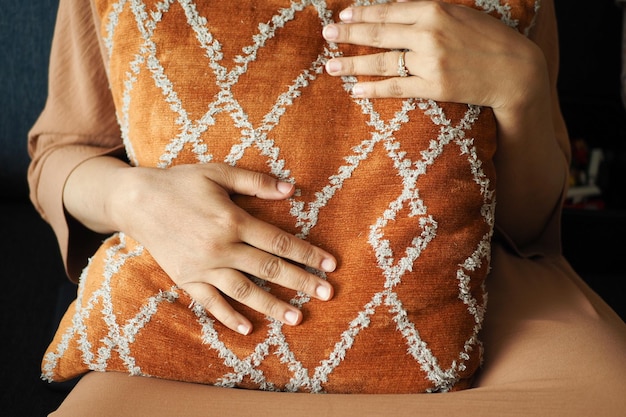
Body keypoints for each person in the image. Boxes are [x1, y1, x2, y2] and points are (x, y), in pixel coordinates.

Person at [28, 0, 626, 416]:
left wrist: (520, 85)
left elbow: (529, 226)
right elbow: (58, 155)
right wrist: (133, 197)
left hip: (496, 316)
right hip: (196, 319)